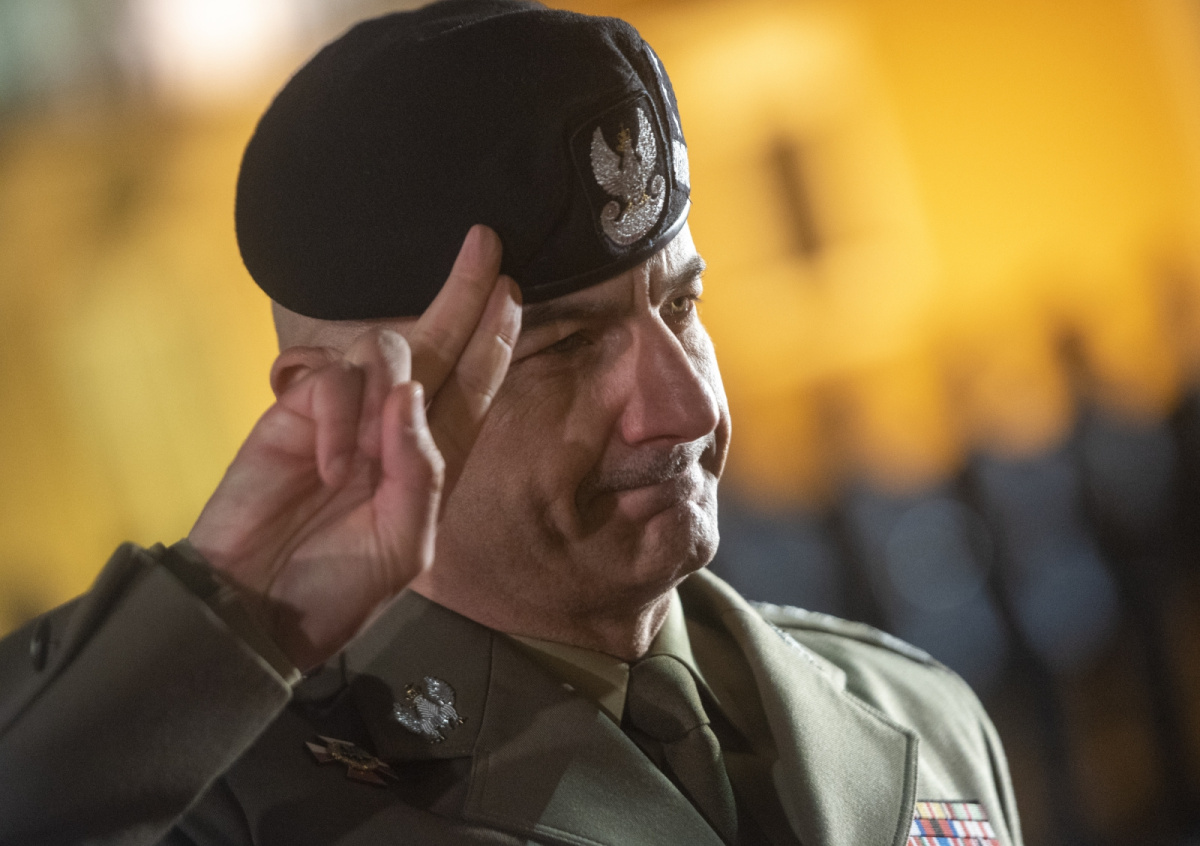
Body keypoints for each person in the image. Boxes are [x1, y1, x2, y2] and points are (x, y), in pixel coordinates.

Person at [0, 2, 1023, 845]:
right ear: (332, 402)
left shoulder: (914, 714)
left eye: (680, 307)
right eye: (564, 347)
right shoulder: (229, 810)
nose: (688, 408)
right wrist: (219, 616)